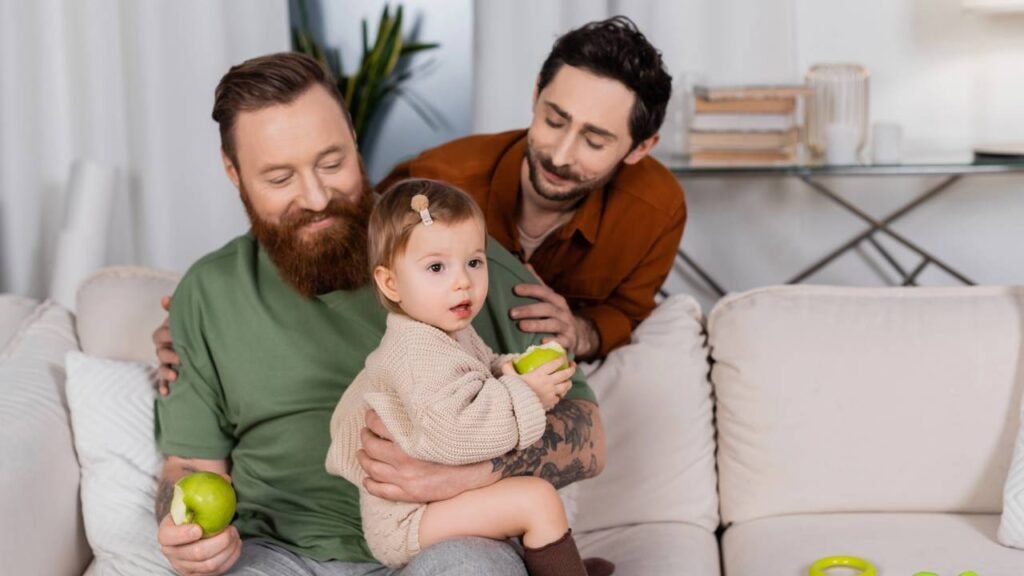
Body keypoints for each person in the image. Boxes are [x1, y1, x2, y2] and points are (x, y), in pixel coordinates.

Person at [153, 52, 604, 576]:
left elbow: (588, 436)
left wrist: (472, 475)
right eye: (280, 178)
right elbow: (188, 467)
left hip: (446, 539)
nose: (318, 196)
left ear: (355, 139)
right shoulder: (208, 294)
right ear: (234, 173)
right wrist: (184, 530)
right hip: (276, 554)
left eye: (332, 163)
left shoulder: (460, 262)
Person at [327, 178, 612, 576]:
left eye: (474, 262)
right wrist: (528, 394)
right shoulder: (414, 352)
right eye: (437, 267)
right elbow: (456, 433)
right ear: (390, 282)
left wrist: (513, 369)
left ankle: (563, 564)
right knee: (537, 501)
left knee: (529, 503)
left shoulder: (444, 331)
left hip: (432, 503)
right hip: (407, 519)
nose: (462, 281)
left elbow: (480, 371)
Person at [377, 15, 685, 361]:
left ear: (640, 148)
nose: (560, 155)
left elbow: (629, 313)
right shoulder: (436, 178)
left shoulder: (658, 209)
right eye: (554, 121)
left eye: (594, 141)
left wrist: (582, 332)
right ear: (537, 92)